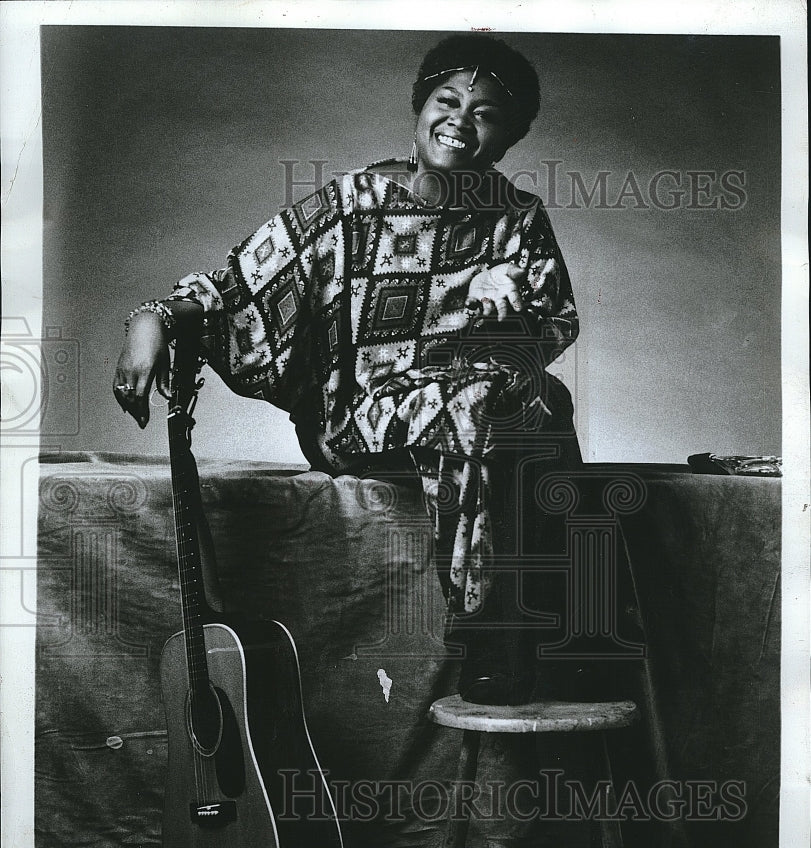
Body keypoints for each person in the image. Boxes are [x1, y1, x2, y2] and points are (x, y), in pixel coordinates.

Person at [113, 33, 582, 705]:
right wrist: (153, 317)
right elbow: (240, 286)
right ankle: (494, 636)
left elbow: (551, 325)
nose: (459, 119)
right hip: (357, 420)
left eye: (485, 113)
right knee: (483, 403)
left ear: (508, 137)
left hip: (475, 416)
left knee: (535, 400)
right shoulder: (347, 206)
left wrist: (504, 319)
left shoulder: (516, 219)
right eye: (447, 100)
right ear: (418, 109)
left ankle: (547, 627)